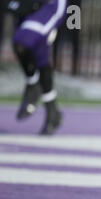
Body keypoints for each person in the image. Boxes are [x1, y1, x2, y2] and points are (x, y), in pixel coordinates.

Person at [1, 0, 67, 135]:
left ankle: (32, 86)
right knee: (39, 57)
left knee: (22, 42)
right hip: (26, 6)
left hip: (48, 5)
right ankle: (52, 111)